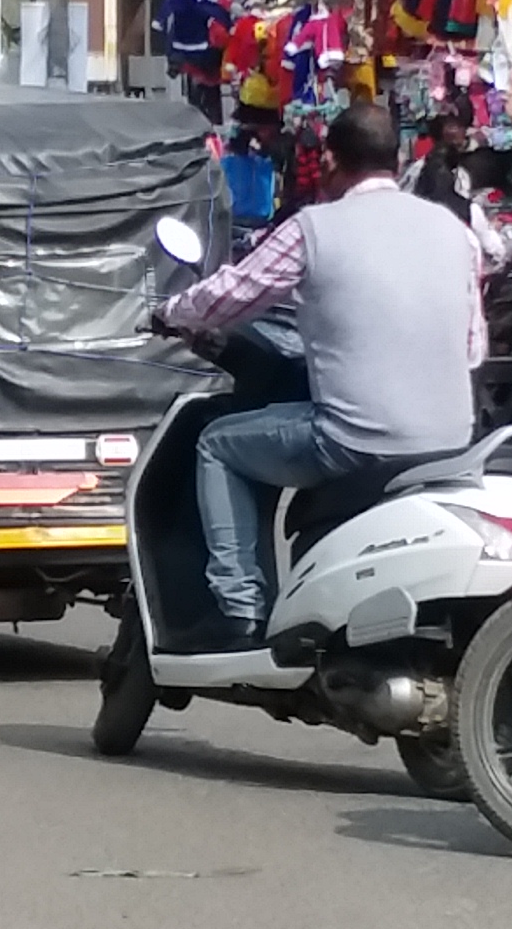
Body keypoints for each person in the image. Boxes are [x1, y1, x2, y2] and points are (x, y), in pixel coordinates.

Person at [153, 100, 485, 649]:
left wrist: (169, 312)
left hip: (355, 441)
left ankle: (239, 611)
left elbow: (229, 296)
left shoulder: (313, 228)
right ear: (396, 157)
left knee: (216, 445)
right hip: (451, 440)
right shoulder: (456, 232)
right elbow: (472, 351)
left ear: (329, 161)